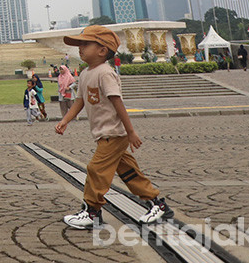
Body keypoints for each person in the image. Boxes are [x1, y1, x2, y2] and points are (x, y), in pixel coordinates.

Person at [55, 26, 172, 229]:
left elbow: (118, 103)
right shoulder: (85, 74)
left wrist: (131, 131)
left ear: (102, 50)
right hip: (104, 134)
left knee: (96, 169)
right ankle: (158, 205)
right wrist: (65, 120)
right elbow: (79, 102)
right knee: (129, 172)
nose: (80, 48)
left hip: (114, 133)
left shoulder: (105, 73)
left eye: (85, 44)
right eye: (80, 44)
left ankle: (91, 212)